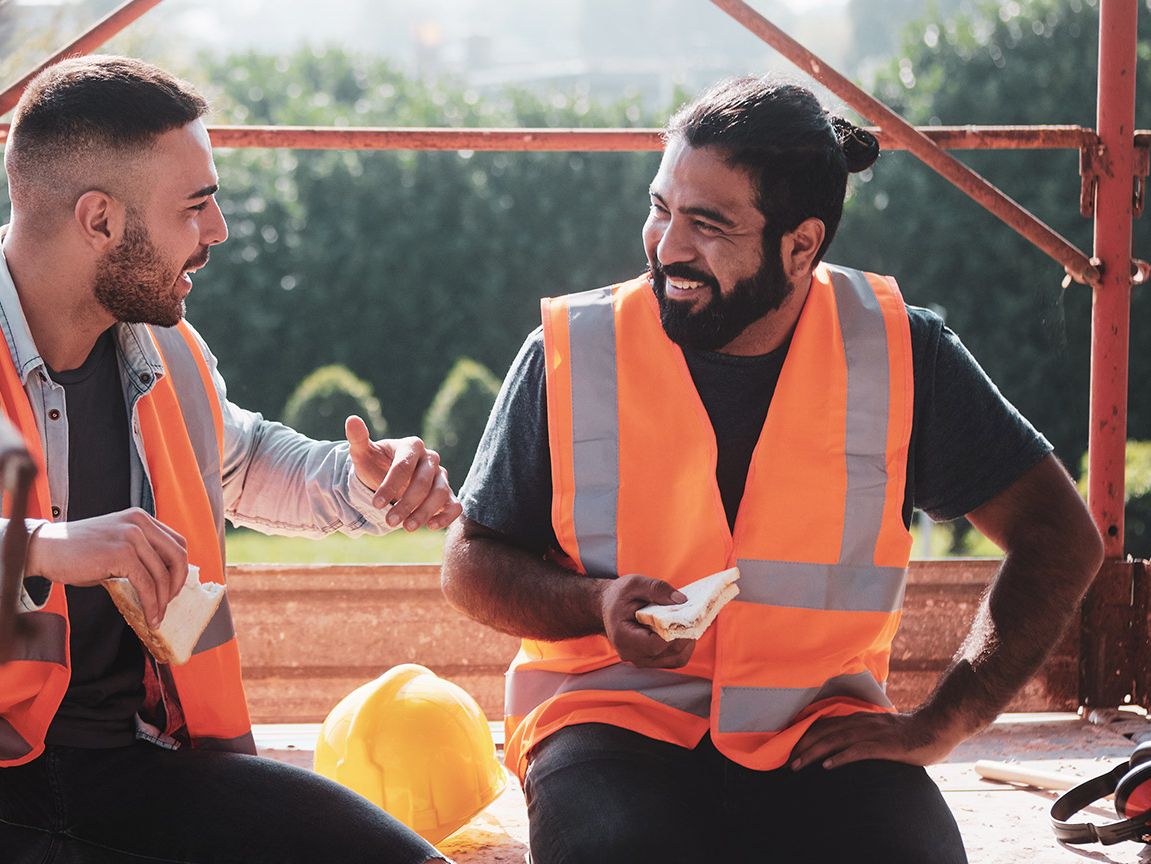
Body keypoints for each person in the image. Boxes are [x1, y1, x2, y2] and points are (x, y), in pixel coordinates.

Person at [0, 56, 461, 863]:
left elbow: (242, 458)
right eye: (196, 206)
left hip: (131, 778)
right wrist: (44, 549)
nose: (217, 231)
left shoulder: (169, 352)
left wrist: (360, 483)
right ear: (99, 220)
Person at [440, 76, 1104, 864]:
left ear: (801, 245)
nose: (667, 246)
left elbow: (1062, 540)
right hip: (608, 717)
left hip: (818, 730)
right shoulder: (572, 348)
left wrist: (941, 722)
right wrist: (595, 603)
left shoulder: (902, 355)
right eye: (660, 209)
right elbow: (469, 563)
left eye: (708, 224)